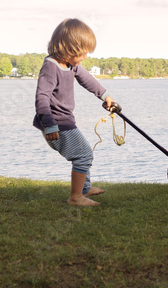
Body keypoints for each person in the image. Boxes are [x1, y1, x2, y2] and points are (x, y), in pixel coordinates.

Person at [34, 18, 116, 206]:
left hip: (65, 121)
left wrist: (105, 96)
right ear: (69, 49)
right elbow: (41, 99)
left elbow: (87, 79)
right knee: (83, 155)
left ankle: (84, 189)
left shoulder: (71, 65)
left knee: (84, 153)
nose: (86, 56)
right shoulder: (50, 68)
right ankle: (75, 197)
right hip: (56, 124)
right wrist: (49, 126)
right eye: (84, 52)